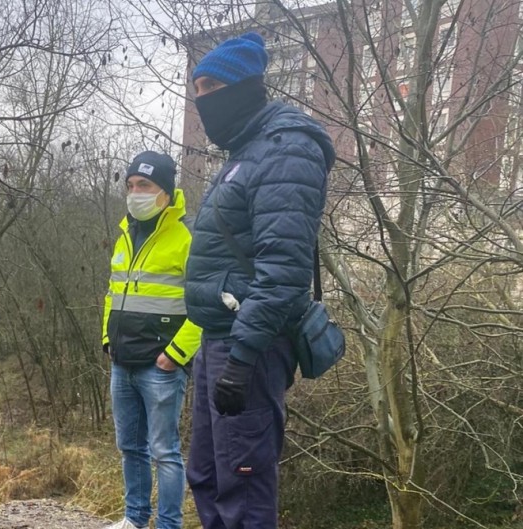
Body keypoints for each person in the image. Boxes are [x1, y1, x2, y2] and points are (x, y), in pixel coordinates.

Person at [183, 32, 336, 528]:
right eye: (196, 88)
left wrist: (243, 359)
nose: (202, 99)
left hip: (248, 344)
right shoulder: (245, 151)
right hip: (219, 338)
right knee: (207, 474)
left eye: (210, 87)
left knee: (243, 488)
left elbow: (284, 272)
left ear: (244, 86)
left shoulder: (285, 149)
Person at [101, 151, 202, 529]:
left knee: (164, 452)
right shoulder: (125, 233)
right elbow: (113, 293)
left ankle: (168, 525)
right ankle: (134, 518)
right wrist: (107, 340)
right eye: (130, 185)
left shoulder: (187, 234)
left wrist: (175, 355)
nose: (135, 193)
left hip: (160, 366)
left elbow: (205, 306)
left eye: (144, 185)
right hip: (122, 362)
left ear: (165, 190)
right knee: (130, 448)